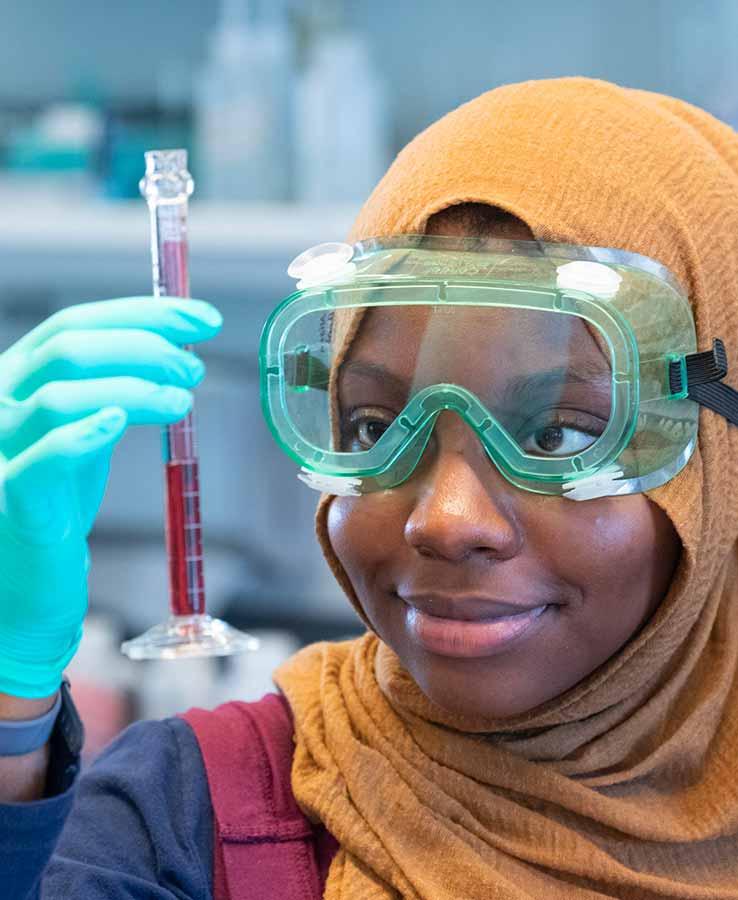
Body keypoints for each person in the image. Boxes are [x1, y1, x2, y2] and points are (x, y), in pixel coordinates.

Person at [2, 75, 738, 899]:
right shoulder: (186, 814)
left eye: (556, 435)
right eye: (379, 428)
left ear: (717, 460)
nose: (447, 521)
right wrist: (9, 712)